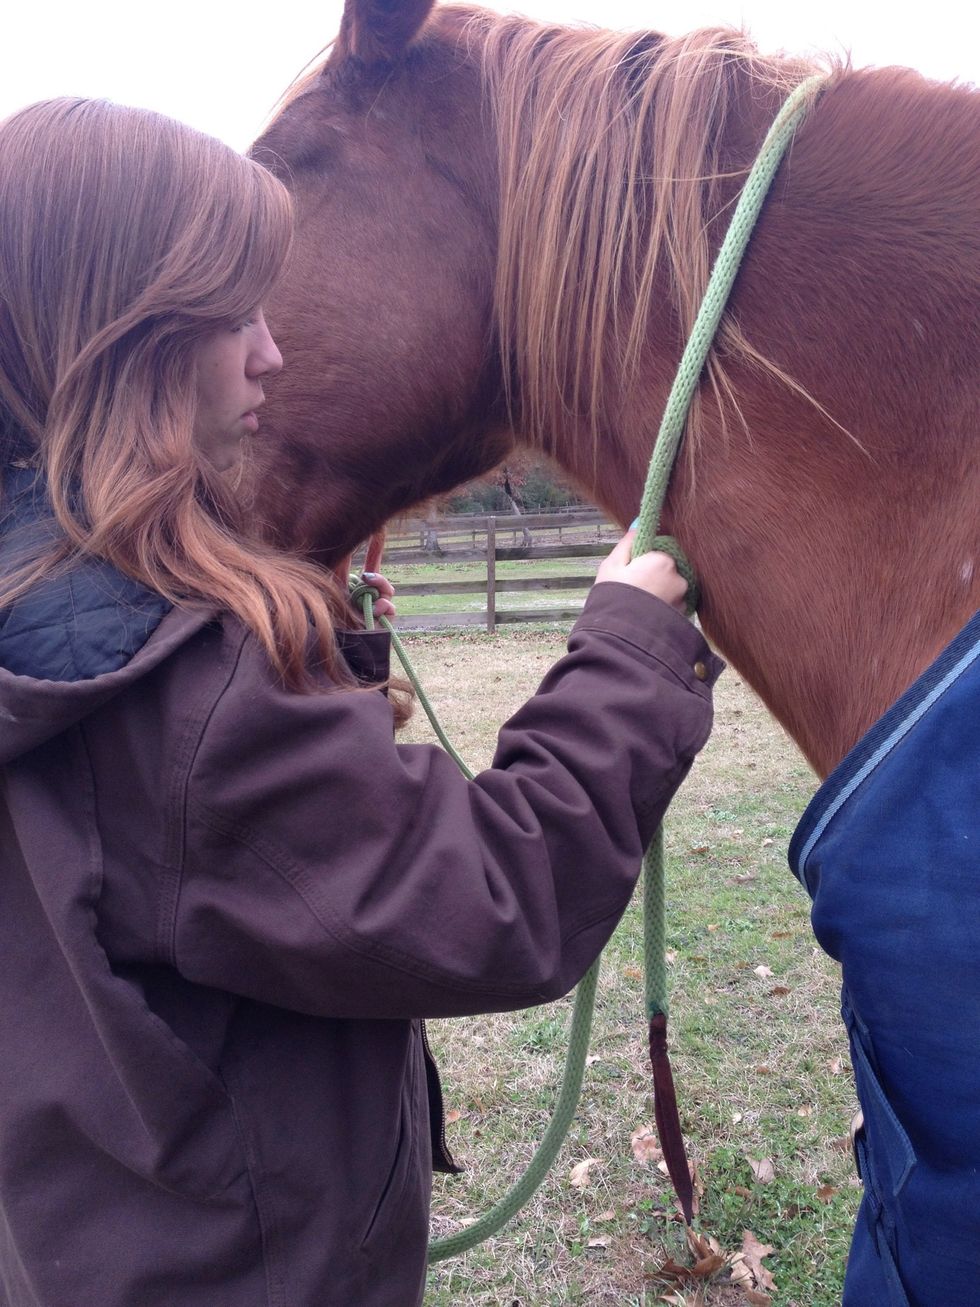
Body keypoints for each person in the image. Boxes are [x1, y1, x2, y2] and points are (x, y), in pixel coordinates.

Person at [0, 98, 723, 1307]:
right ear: (131, 337)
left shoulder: (54, 607)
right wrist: (629, 653)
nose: (272, 353)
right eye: (234, 314)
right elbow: (501, 897)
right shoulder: (179, 690)